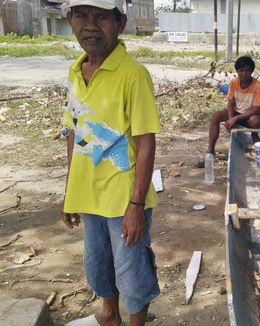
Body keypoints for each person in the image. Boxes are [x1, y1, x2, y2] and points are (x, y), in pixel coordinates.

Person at [60, 1, 160, 325]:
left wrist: (135, 205)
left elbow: (146, 144)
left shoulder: (134, 76)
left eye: (101, 17)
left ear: (120, 22)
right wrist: (68, 192)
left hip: (123, 198)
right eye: (81, 15)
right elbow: (75, 134)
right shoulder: (75, 74)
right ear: (70, 20)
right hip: (89, 196)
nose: (90, 25)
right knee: (98, 265)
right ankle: (109, 315)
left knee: (132, 273)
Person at [197, 56, 260, 168]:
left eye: (247, 71)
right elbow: (231, 103)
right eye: (241, 71)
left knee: (255, 121)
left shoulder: (258, 86)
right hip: (236, 112)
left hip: (249, 115)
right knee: (216, 116)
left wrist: (235, 119)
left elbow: (256, 109)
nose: (244, 74)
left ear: (251, 71)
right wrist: (230, 118)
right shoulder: (234, 83)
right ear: (237, 71)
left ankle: (254, 137)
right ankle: (210, 151)